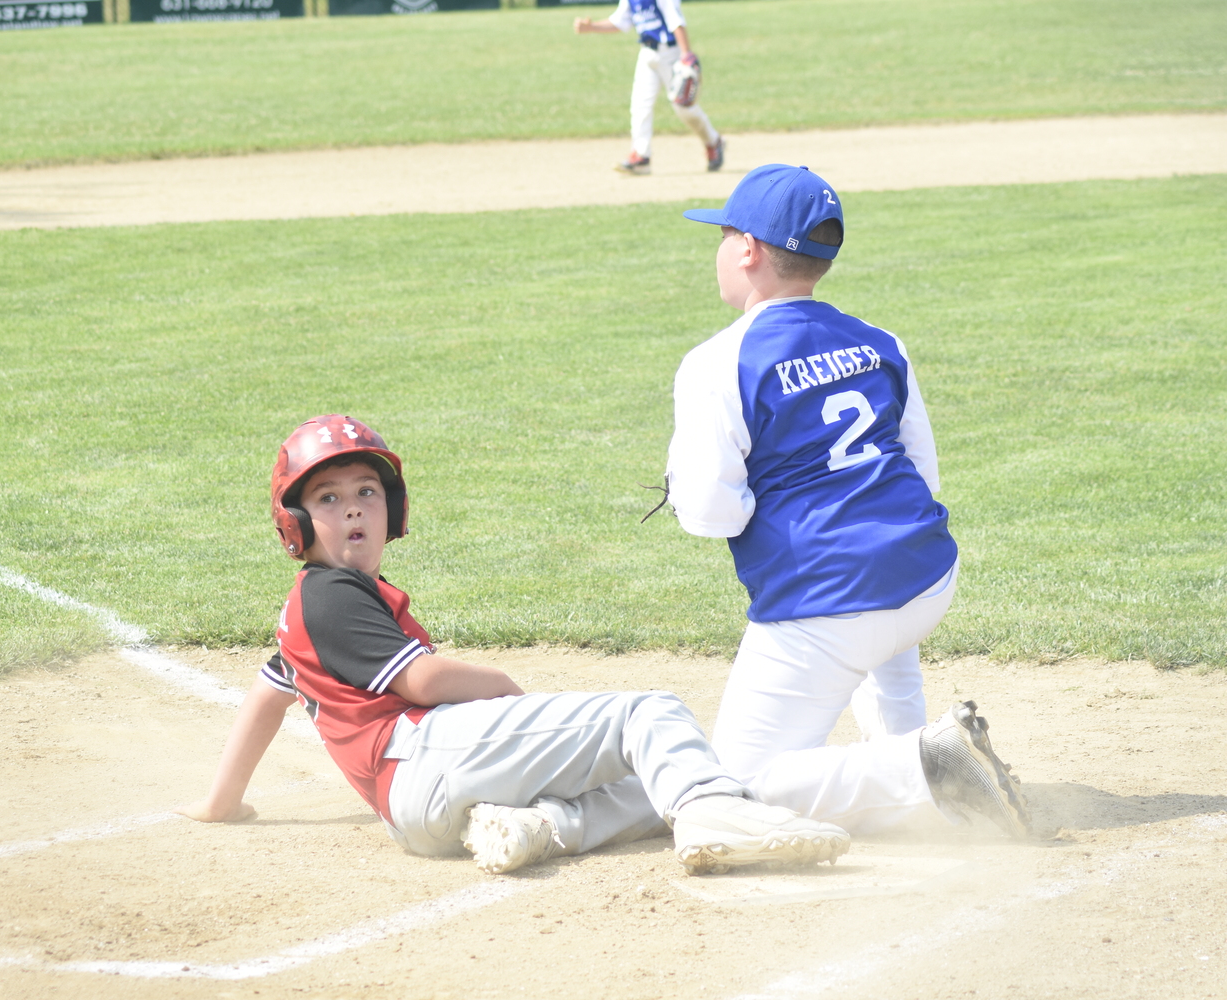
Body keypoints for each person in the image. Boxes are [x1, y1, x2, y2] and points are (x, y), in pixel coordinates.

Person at [177, 414, 850, 876]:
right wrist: (497, 685)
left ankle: (542, 828)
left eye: (366, 491)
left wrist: (221, 802)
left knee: (657, 776)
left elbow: (268, 695)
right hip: (424, 759)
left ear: (394, 506)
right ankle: (717, 820)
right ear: (296, 525)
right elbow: (423, 684)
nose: (353, 507)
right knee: (650, 715)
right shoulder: (327, 593)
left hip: (424, 809)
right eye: (327, 497)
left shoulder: (320, 610)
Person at [660, 163, 1031, 839]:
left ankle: (925, 770)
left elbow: (714, 515)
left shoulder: (718, 360)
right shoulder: (880, 341)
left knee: (731, 790)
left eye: (722, 235)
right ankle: (926, 752)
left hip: (831, 600)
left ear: (747, 250)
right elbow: (921, 471)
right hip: (925, 576)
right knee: (882, 647)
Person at [574, 0, 726, 176]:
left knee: (684, 108)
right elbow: (619, 22)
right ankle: (641, 156)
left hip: (670, 53)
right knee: (640, 105)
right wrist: (591, 27)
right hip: (647, 53)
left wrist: (686, 55)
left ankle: (714, 142)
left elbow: (676, 21)